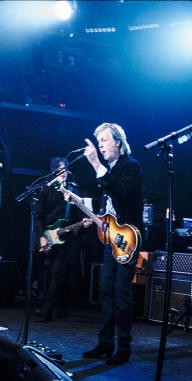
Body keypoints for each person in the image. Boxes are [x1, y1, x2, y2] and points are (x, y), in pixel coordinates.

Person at [79, 123, 142, 365]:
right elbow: (109, 208)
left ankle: (123, 348)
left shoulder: (131, 167)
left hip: (128, 238)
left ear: (118, 142)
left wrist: (95, 164)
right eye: (99, 140)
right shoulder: (110, 169)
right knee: (105, 292)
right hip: (111, 240)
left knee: (121, 294)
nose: (100, 145)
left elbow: (120, 194)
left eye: (104, 140)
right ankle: (105, 343)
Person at [34, 157, 81, 322]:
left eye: (64, 170)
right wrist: (41, 236)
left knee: (58, 273)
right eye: (58, 171)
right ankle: (60, 308)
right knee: (48, 273)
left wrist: (83, 223)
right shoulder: (45, 190)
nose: (62, 174)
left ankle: (47, 311)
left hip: (67, 238)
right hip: (48, 236)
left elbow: (81, 214)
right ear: (52, 172)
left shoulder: (73, 189)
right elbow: (38, 216)